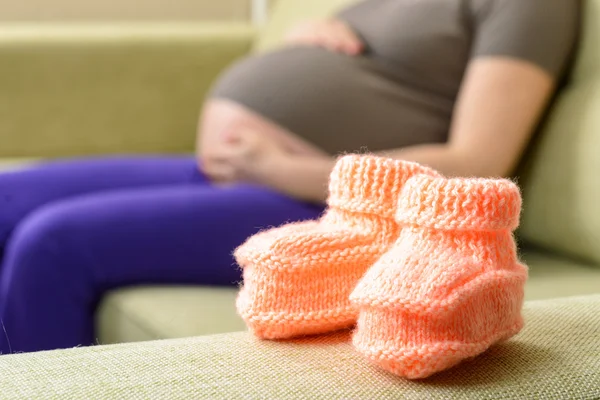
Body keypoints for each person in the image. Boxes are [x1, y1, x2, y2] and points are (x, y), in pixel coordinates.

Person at [0, 0, 579, 354]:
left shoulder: (530, 3)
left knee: (53, 244)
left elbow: (478, 161)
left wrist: (278, 167)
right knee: (6, 198)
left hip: (328, 205)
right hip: (231, 174)